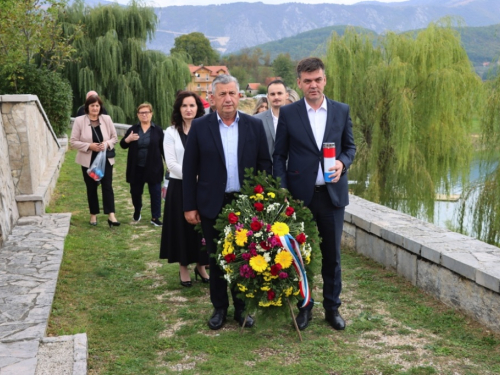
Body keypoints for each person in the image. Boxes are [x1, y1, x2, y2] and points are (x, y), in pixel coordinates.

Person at [183, 74, 272, 330]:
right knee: (217, 257)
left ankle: (242, 308)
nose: (228, 99)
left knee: (244, 257)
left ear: (239, 96)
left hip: (245, 204)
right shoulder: (201, 126)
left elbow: (265, 165)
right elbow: (190, 169)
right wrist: (189, 205)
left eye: (232, 93)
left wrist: (263, 200)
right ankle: (219, 308)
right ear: (212, 98)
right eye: (222, 94)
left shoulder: (254, 126)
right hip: (212, 203)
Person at [273, 57, 356, 331]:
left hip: (332, 197)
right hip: (299, 198)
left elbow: (350, 148)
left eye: (317, 79)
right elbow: (279, 156)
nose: (313, 85)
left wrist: (343, 163)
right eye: (307, 81)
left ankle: (332, 309)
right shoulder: (289, 113)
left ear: (325, 80)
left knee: (332, 257)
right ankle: (304, 307)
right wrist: (283, 189)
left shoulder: (341, 110)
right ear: (299, 82)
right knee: (300, 256)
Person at [159, 91, 210, 287]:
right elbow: (171, 164)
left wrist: (203, 178)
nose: (188, 109)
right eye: (184, 106)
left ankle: (201, 265)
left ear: (198, 108)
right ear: (178, 109)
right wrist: (194, 176)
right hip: (179, 186)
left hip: (203, 186)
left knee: (202, 228)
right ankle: (183, 267)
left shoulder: (205, 129)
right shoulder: (170, 132)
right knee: (181, 227)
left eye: (192, 105)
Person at [70, 95, 120, 227]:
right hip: (88, 159)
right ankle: (93, 214)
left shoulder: (106, 119)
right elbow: (73, 141)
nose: (95, 108)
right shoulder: (80, 121)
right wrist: (89, 146)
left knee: (107, 186)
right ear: (87, 107)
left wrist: (107, 143)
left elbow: (115, 138)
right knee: (91, 187)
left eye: (97, 106)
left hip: (105, 159)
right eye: (92, 105)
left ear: (100, 107)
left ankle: (111, 215)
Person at [119, 103, 165, 227]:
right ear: (138, 115)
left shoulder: (158, 130)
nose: (144, 115)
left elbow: (164, 149)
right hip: (136, 167)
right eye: (141, 113)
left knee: (155, 193)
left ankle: (155, 217)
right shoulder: (133, 129)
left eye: (146, 112)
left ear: (151, 114)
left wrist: (169, 166)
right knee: (135, 192)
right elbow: (123, 145)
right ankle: (137, 210)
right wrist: (128, 139)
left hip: (154, 167)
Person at [254, 79, 289, 155]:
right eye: (272, 94)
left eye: (279, 93)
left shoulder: (297, 118)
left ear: (287, 95)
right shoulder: (257, 120)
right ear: (268, 97)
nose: (276, 97)